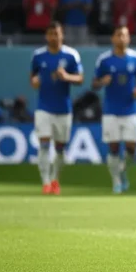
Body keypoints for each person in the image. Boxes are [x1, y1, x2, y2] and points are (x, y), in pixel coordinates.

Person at [30, 21, 84, 195]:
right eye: (51, 34)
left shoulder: (71, 55)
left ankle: (55, 179)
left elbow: (80, 79)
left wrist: (66, 76)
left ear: (62, 35)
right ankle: (46, 182)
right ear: (47, 36)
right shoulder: (38, 56)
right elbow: (32, 77)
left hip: (63, 109)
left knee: (60, 149)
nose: (54, 37)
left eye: (57, 33)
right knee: (44, 144)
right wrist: (34, 81)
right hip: (43, 108)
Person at [92, 26, 136, 194]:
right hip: (111, 111)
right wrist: (101, 82)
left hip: (130, 110)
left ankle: (122, 171)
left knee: (132, 148)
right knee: (113, 147)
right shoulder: (104, 60)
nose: (122, 38)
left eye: (125, 35)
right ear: (113, 38)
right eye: (118, 35)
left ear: (129, 39)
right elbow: (94, 83)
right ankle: (116, 181)